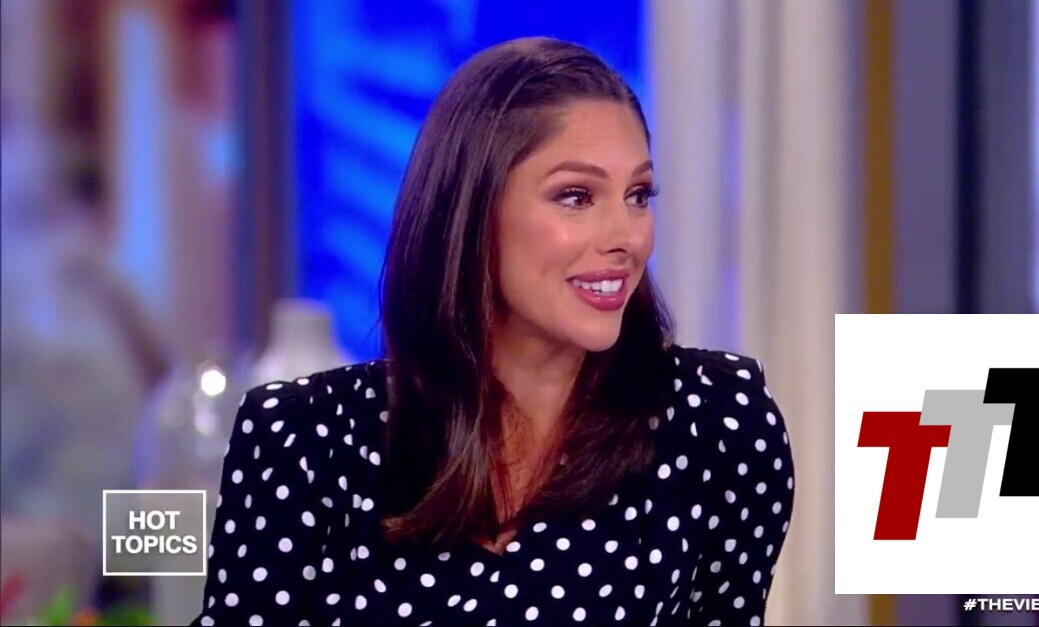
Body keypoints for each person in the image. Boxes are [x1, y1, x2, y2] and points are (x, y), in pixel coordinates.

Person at [192, 36, 794, 626]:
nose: (626, 236)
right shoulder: (303, 439)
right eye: (576, 196)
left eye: (638, 195)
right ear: (473, 209)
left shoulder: (718, 423)